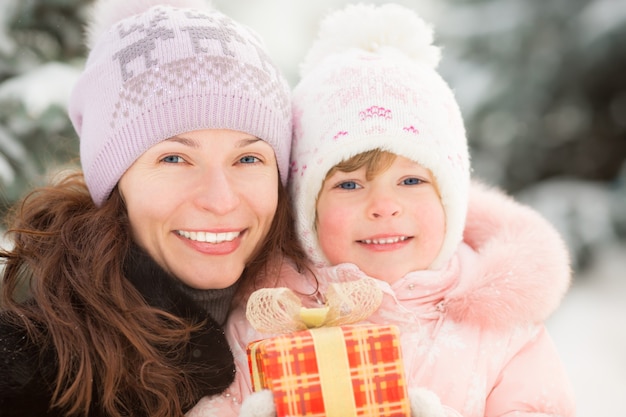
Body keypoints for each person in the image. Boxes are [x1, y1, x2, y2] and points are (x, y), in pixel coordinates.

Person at [207, 3, 576, 417]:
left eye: (412, 181)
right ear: (306, 210)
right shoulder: (269, 315)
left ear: (449, 201)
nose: (384, 207)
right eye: (349, 184)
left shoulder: (501, 330)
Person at [0, 0, 307, 416]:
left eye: (248, 159)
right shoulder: (29, 369)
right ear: (115, 180)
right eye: (175, 159)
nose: (220, 200)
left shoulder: (342, 320)